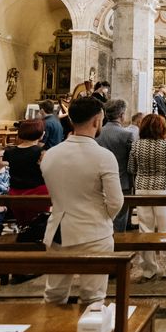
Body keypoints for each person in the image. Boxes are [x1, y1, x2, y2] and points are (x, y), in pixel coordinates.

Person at [41, 97, 123, 305]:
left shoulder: (51, 154)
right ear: (97, 121)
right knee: (93, 297)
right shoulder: (103, 156)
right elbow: (115, 202)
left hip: (58, 230)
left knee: (54, 295)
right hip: (93, 232)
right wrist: (102, 217)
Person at [128, 114, 166, 279]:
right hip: (163, 189)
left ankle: (148, 268)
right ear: (161, 128)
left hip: (142, 189)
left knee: (145, 228)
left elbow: (131, 168)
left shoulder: (137, 145)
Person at [96, 99, 134, 233]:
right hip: (122, 181)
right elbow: (131, 161)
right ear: (122, 115)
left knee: (102, 217)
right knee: (119, 220)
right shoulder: (127, 134)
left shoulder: (97, 133)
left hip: (99, 181)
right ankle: (117, 248)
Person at [4, 119, 49, 227]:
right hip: (37, 193)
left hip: (15, 193)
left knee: (23, 224)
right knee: (37, 224)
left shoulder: (9, 152)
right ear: (40, 134)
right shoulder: (41, 152)